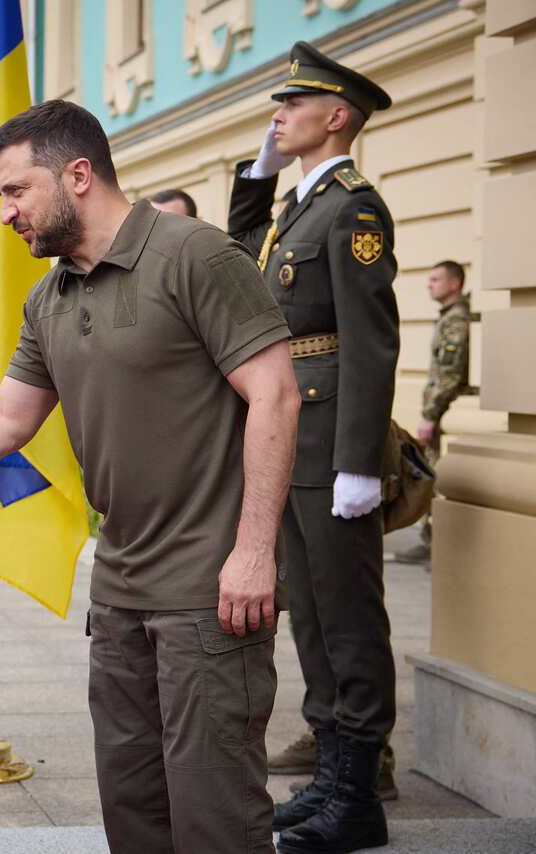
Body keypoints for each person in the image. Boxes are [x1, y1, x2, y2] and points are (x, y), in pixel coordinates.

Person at [0, 99, 300, 854]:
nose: (5, 214)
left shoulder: (196, 256)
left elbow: (276, 395)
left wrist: (256, 549)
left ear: (77, 175)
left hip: (209, 591)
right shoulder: (49, 297)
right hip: (121, 587)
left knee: (216, 815)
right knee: (132, 806)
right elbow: (7, 420)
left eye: (14, 191)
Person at [227, 41, 400, 853]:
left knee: (349, 619)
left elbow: (370, 343)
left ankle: (359, 794)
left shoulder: (352, 207)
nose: (278, 114)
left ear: (336, 117)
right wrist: (257, 175)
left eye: (291, 106)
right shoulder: (301, 204)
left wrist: (360, 461)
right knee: (312, 622)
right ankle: (330, 777)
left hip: (332, 440)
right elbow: (241, 254)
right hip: (293, 433)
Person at [394, 260, 470, 564]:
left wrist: (431, 413)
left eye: (436, 279)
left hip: (444, 412)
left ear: (454, 284)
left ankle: (435, 545)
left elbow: (450, 373)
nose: (429, 284)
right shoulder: (448, 318)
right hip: (441, 413)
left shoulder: (456, 321)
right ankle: (430, 542)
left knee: (435, 476)